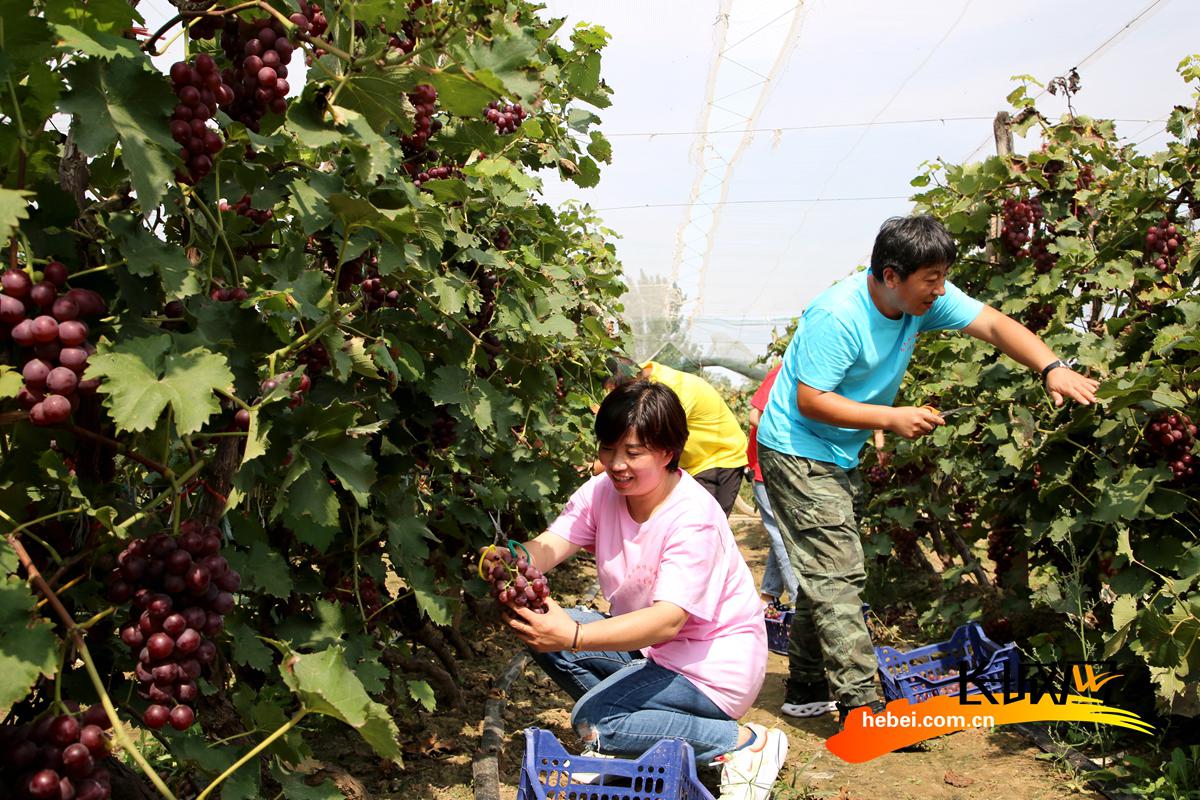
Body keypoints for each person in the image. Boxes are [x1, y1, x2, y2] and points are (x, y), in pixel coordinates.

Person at [756, 215, 1099, 722]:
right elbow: (810, 401)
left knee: (827, 571)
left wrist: (1052, 367)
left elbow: (993, 324)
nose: (940, 291)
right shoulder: (839, 315)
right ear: (891, 276)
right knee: (838, 572)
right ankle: (863, 709)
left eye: (943, 278)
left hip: (839, 449)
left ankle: (807, 687)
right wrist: (890, 417)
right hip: (797, 446)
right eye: (931, 280)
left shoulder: (921, 297)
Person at [498, 379, 787, 799]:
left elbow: (668, 621)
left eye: (633, 453)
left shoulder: (692, 517)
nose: (617, 464)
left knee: (596, 720)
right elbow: (553, 543)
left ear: (668, 452)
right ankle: (638, 739)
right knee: (537, 625)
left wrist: (575, 636)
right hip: (653, 654)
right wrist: (512, 560)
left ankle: (742, 743)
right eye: (608, 449)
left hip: (711, 670)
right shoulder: (604, 492)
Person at [604, 355, 748, 515]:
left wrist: (594, 466)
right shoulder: (633, 372)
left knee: (698, 521)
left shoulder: (669, 392)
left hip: (717, 459)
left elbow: (647, 441)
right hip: (686, 463)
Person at [746, 363, 798, 606]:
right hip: (768, 469)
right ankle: (801, 602)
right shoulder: (784, 371)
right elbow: (754, 416)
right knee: (784, 536)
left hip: (787, 468)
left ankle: (768, 596)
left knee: (783, 534)